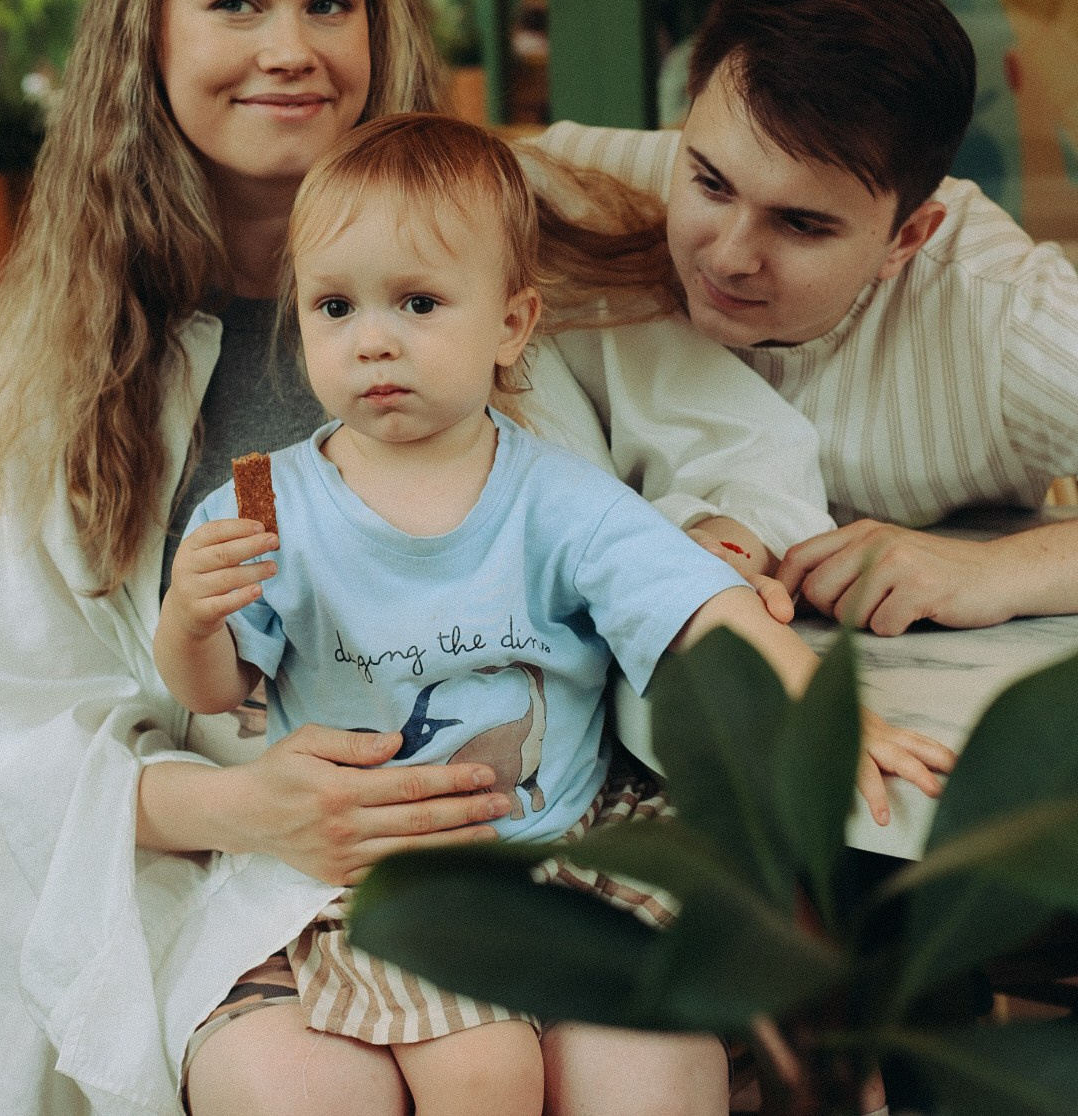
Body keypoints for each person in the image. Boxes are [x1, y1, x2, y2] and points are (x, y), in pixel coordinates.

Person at [0, 0, 832, 1116]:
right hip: (250, 869)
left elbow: (741, 444)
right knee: (305, 1094)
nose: (292, 47)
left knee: (645, 1071)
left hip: (550, 825)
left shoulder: (505, 221)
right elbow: (26, 730)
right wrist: (248, 810)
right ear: (145, 37)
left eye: (331, 2)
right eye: (237, 3)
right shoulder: (60, 356)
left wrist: (715, 540)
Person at [155, 113, 953, 1116]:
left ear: (511, 326)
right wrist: (190, 621)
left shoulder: (557, 496)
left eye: (419, 302)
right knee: (485, 1073)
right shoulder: (262, 498)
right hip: (379, 870)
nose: (373, 339)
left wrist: (824, 709)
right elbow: (215, 689)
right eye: (334, 306)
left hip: (559, 845)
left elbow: (700, 606)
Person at [538, 0, 1078, 636]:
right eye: (710, 184)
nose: (728, 258)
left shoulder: (1007, 315)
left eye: (800, 224)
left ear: (906, 238)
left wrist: (994, 571)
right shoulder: (587, 190)